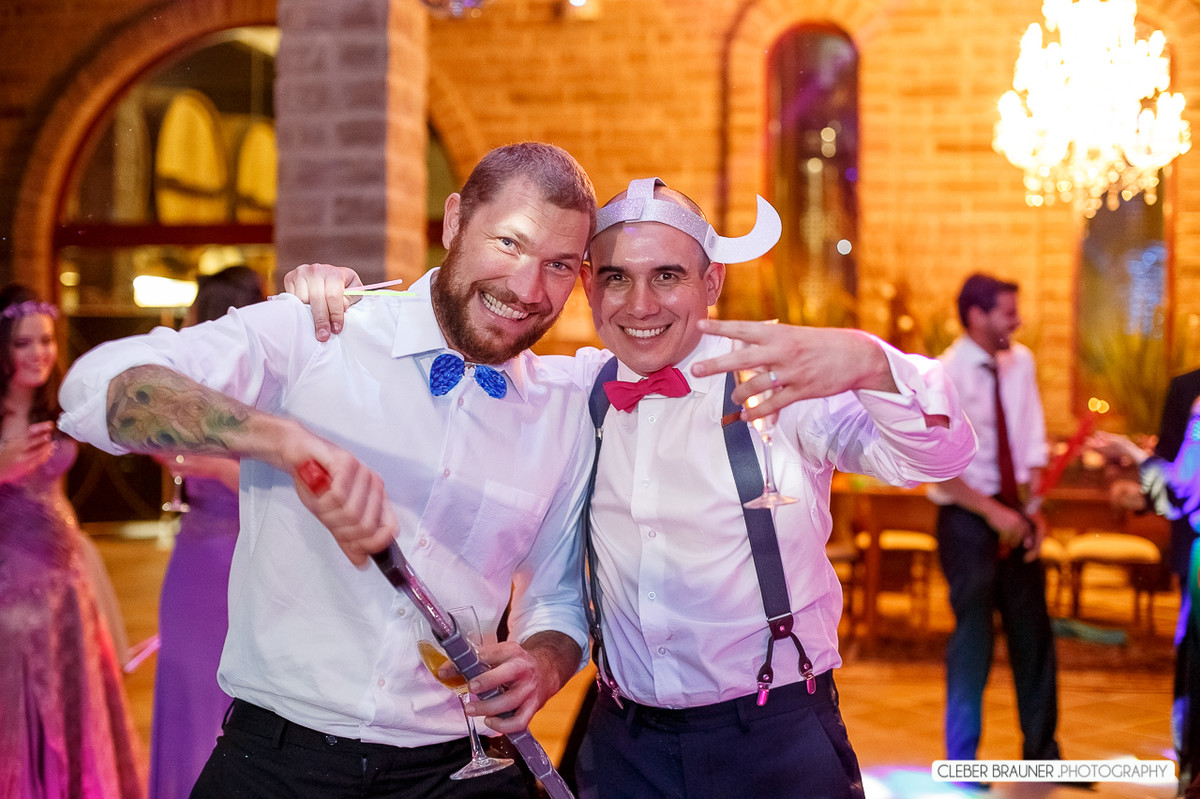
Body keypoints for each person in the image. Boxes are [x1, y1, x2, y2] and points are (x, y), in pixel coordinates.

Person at [289, 177, 978, 798]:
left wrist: (869, 361)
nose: (640, 303)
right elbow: (453, 342)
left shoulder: (779, 380)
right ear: (589, 287)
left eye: (667, 276)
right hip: (624, 746)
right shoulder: (571, 387)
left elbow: (939, 455)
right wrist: (338, 298)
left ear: (711, 285)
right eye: (616, 277)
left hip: (774, 738)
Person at [58, 142, 597, 799]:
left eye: (559, 264)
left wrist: (543, 661)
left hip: (459, 768)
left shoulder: (564, 406)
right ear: (455, 221)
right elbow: (91, 389)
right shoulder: (318, 331)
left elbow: (560, 598)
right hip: (277, 761)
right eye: (509, 243)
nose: (528, 288)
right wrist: (283, 441)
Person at [0, 284, 145, 798]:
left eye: (45, 340)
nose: (39, 353)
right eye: (23, 343)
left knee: (76, 704)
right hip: (11, 594)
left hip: (68, 582)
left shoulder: (55, 407)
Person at [929, 273, 1062, 772]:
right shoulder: (943, 372)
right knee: (974, 643)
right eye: (1008, 312)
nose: (1018, 321)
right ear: (977, 315)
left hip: (1015, 515)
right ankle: (962, 763)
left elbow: (1030, 442)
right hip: (966, 521)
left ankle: (1044, 758)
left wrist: (1033, 510)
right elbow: (939, 470)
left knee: (1034, 636)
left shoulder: (1020, 361)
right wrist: (993, 512)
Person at [149, 265, 265, 799]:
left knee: (238, 696)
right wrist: (174, 455)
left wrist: (210, 466)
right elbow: (153, 445)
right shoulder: (189, 385)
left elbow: (283, 482)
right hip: (197, 556)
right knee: (188, 686)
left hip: (246, 557)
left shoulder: (266, 384)